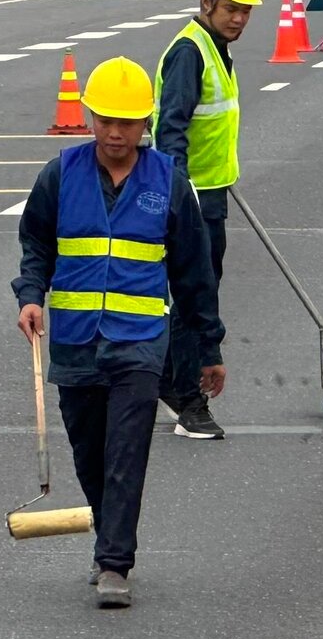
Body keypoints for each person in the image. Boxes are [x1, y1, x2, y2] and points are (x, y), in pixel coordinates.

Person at [13, 57, 226, 609]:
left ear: (145, 124)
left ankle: (114, 562)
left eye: (128, 122)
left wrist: (208, 347)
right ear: (89, 117)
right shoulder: (60, 175)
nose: (115, 131)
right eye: (106, 119)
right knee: (89, 452)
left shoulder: (168, 183)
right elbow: (36, 245)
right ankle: (109, 537)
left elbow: (193, 273)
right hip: (76, 341)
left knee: (126, 452)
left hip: (138, 342)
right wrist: (30, 297)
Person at [151, 0, 255, 440]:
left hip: (211, 192)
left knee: (199, 290)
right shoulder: (190, 52)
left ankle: (173, 383)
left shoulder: (215, 48)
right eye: (231, 8)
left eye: (245, 10)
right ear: (206, 0)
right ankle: (187, 398)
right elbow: (169, 130)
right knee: (197, 295)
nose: (238, 18)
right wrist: (182, 195)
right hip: (190, 199)